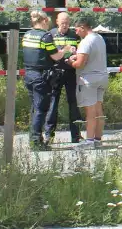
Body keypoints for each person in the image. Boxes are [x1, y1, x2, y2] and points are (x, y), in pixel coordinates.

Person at [21, 11, 65, 150]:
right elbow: (56, 56)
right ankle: (36, 142)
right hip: (41, 76)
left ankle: (34, 137)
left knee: (34, 107)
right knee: (41, 109)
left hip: (29, 74)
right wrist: (66, 49)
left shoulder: (27, 34)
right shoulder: (46, 37)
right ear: (45, 20)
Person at [70, 19, 109, 149]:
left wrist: (70, 61)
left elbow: (80, 64)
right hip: (102, 77)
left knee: (90, 111)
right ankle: (98, 139)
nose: (76, 32)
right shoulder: (99, 38)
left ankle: (89, 141)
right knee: (99, 109)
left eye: (76, 29)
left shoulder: (85, 41)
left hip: (89, 80)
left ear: (82, 27)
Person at [46, 12, 82, 144]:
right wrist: (65, 49)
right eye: (62, 22)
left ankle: (76, 136)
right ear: (57, 22)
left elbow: (80, 51)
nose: (65, 25)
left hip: (70, 72)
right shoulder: (51, 34)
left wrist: (75, 55)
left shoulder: (74, 35)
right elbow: (49, 53)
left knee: (73, 104)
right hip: (55, 72)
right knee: (53, 104)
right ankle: (49, 135)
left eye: (67, 22)